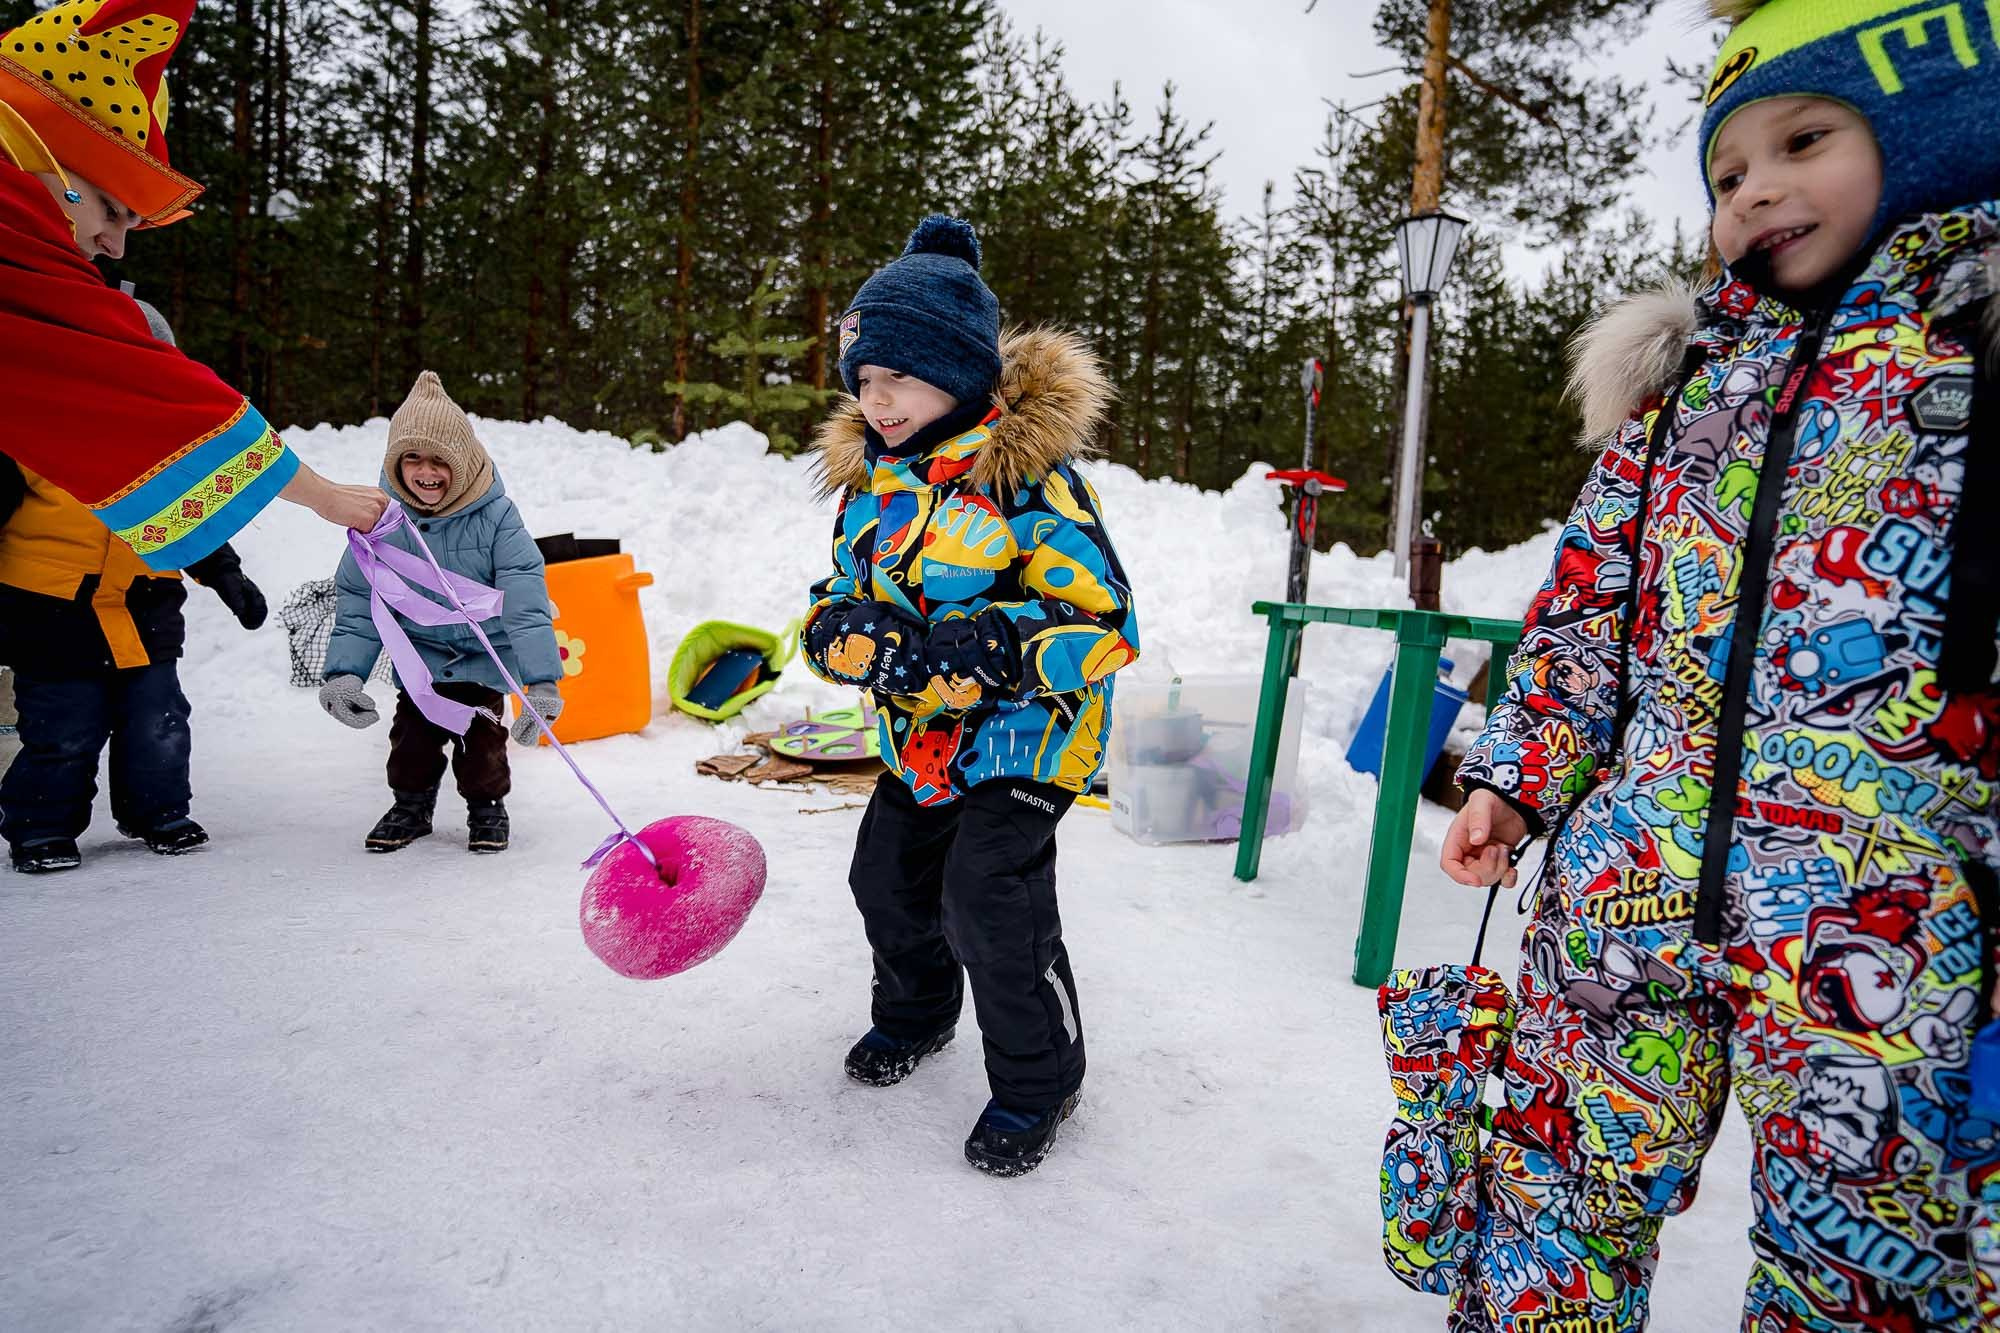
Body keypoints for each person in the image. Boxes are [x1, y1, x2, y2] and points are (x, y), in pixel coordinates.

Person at [1436, 1, 2000, 1327]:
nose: (1759, 188)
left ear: (1937, 132)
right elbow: (1584, 615)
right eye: (1729, 169)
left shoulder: (1975, 371)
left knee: (1862, 1263)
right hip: (1623, 892)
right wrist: (1513, 780)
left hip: (1882, 931)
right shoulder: (1687, 391)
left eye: (1805, 138)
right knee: (1554, 1194)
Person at [800, 215, 1139, 1176]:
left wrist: (1001, 640)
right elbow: (844, 595)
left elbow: (1109, 625)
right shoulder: (871, 488)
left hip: (1035, 732)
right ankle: (918, 1013)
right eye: (863, 381)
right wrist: (840, 631)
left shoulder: (1032, 482)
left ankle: (1041, 1078)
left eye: (896, 377)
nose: (877, 399)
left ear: (954, 368)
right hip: (923, 738)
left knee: (987, 894)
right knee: (885, 877)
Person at [0, 0, 385, 570]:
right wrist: (324, 496)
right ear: (41, 154)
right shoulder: (17, 241)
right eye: (111, 210)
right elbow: (135, 380)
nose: (115, 245)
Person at [0, 299, 267, 873]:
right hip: (53, 609)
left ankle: (158, 812)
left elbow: (192, 516)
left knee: (160, 721)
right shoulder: (30, 430)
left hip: (146, 608)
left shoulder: (166, 444)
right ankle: (42, 827)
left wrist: (225, 573)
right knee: (62, 728)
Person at [318, 373, 563, 856]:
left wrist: (543, 683)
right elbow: (357, 603)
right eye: (412, 458)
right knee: (410, 744)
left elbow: (527, 603)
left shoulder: (498, 519)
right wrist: (344, 674)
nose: (425, 471)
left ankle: (487, 807)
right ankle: (411, 806)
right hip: (420, 663)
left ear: (464, 463)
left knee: (483, 750)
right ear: (395, 463)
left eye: (440, 460)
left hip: (484, 659)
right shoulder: (382, 522)